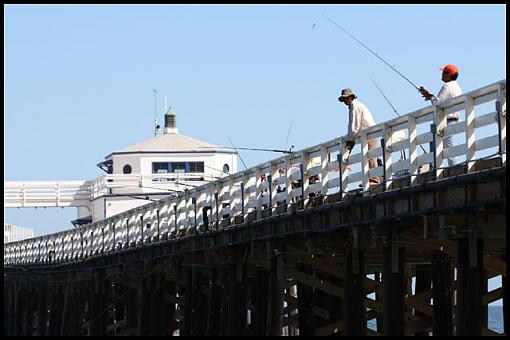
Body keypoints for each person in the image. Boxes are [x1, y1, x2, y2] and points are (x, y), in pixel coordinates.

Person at [418, 64, 463, 167]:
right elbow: (443, 101)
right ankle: (452, 167)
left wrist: (430, 97)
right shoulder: (456, 86)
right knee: (447, 146)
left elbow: (437, 104)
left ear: (448, 75)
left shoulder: (447, 86)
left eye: (443, 72)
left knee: (438, 145)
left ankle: (436, 169)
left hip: (446, 120)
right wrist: (430, 96)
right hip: (453, 119)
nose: (441, 74)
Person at [338, 88, 380, 185]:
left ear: (351, 97)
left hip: (370, 133)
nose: (344, 101)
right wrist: (350, 138)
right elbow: (352, 126)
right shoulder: (353, 106)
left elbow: (354, 126)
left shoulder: (355, 107)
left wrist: (350, 139)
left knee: (371, 156)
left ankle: (374, 180)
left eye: (346, 98)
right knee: (369, 156)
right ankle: (372, 179)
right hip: (367, 133)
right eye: (343, 99)